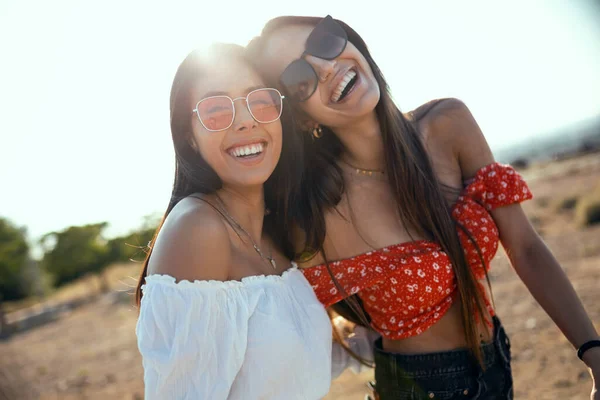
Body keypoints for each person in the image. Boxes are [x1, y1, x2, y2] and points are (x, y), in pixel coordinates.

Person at [247, 15, 600, 399]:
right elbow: (254, 308)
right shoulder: (319, 212)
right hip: (416, 388)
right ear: (300, 117)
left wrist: (592, 350)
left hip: (496, 362)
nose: (328, 67)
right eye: (301, 78)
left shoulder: (449, 124)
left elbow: (526, 247)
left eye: (325, 41)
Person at [134, 44, 337, 399]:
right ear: (189, 137)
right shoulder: (198, 229)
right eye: (215, 110)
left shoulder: (276, 234)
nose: (246, 120)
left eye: (259, 100)